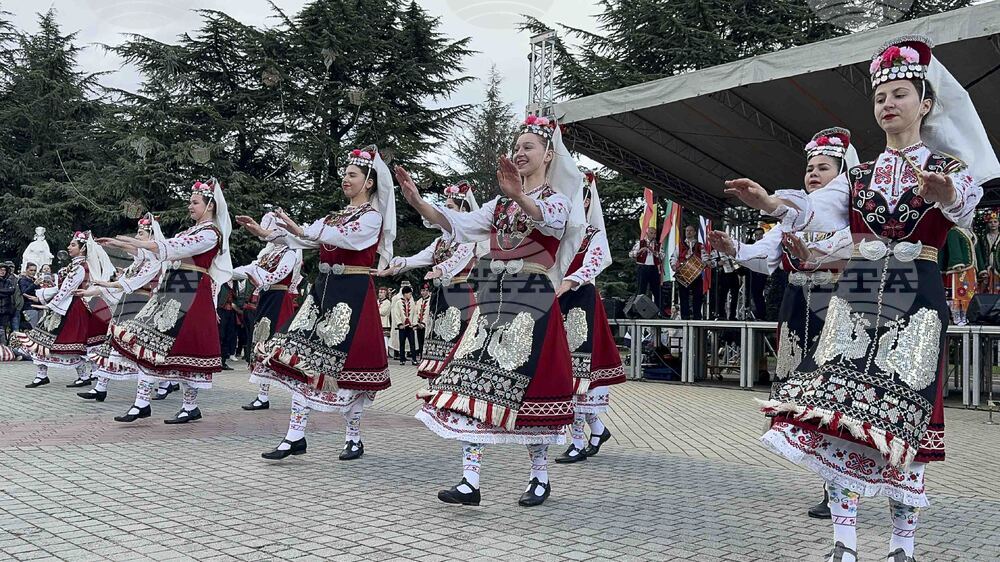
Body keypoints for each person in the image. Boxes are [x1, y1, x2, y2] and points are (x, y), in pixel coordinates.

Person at [726, 36, 996, 562]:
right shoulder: (859, 174)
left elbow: (962, 203)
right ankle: (844, 543)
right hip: (859, 291)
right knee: (841, 416)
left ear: (926, 104)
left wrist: (941, 191)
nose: (888, 104)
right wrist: (773, 203)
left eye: (899, 94)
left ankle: (902, 546)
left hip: (915, 293)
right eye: (880, 97)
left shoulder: (949, 164)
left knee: (908, 417)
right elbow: (817, 209)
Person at [395, 114, 583, 507]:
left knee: (531, 389)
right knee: (467, 382)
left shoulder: (558, 200)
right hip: (492, 296)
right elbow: (459, 223)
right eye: (516, 148)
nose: (520, 153)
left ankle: (539, 476)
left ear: (549, 154)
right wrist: (418, 203)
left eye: (528, 147)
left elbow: (548, 224)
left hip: (531, 296)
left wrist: (518, 195)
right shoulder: (498, 204)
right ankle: (470, 480)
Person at [711, 127, 858, 519]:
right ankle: (832, 480)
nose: (812, 173)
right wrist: (735, 249)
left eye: (822, 167)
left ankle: (840, 485)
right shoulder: (793, 217)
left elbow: (853, 253)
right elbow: (763, 256)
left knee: (834, 396)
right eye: (809, 167)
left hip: (836, 307)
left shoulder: (852, 219)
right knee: (806, 397)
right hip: (796, 309)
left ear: (843, 174)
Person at [240, 146, 394, 462]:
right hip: (323, 291)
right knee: (302, 360)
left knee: (347, 369)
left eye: (352, 175)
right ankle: (294, 436)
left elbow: (342, 238)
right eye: (345, 174)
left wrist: (300, 229)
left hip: (351, 295)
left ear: (368, 182)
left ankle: (354, 438)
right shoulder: (335, 215)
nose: (345, 180)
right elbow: (305, 239)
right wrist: (268, 235)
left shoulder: (371, 218)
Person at [110, 179, 233, 424]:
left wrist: (133, 241)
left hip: (193, 289)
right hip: (175, 285)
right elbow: (161, 252)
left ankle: (190, 406)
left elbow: (173, 248)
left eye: (194, 202)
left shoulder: (210, 234)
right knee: (145, 339)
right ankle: (141, 403)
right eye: (190, 201)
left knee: (185, 347)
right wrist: (123, 244)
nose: (190, 206)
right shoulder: (191, 231)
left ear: (209, 205)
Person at [554, 167, 625, 464]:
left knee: (579, 372)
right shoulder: (559, 232)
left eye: (579, 196)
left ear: (586, 202)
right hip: (559, 300)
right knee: (565, 369)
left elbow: (597, 261)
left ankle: (579, 442)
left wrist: (570, 280)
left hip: (581, 301)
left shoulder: (592, 235)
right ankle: (596, 429)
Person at [377, 181, 484, 379]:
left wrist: (440, 269)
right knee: (437, 341)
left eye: (450, 208)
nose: (446, 212)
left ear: (464, 210)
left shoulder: (469, 237)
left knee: (455, 340)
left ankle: (455, 384)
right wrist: (397, 266)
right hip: (440, 296)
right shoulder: (440, 241)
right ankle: (436, 386)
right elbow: (420, 257)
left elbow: (458, 259)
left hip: (460, 295)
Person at [75, 215, 164, 402]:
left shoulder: (155, 261)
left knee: (142, 349)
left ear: (152, 236)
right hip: (128, 305)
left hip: (141, 308)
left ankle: (164, 384)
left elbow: (131, 282)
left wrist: (103, 285)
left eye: (141, 234)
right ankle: (100, 387)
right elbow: (132, 251)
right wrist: (112, 243)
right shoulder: (140, 261)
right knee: (112, 344)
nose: (137, 237)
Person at [18, 231, 114, 388]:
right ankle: (43, 375)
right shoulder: (74, 266)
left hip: (73, 307)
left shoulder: (81, 267)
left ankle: (83, 376)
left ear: (82, 249)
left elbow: (67, 290)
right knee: (41, 339)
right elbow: (61, 288)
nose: (69, 247)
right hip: (64, 306)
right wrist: (41, 296)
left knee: (68, 343)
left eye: (73, 245)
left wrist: (48, 305)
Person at [234, 211, 302, 411]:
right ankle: (262, 395)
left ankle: (297, 391)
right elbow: (249, 268)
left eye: (271, 228)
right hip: (266, 299)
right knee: (261, 345)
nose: (267, 233)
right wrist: (224, 271)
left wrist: (258, 276)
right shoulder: (268, 253)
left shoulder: (290, 252)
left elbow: (278, 274)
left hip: (280, 300)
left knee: (280, 347)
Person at [939, 227, 977, 325]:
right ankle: (956, 317)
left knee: (968, 292)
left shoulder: (968, 231)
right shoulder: (954, 231)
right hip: (959, 268)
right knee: (958, 292)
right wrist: (957, 262)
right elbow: (953, 246)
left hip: (969, 267)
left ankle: (965, 316)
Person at [670, 224, 708, 320]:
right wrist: (674, 266)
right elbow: (674, 256)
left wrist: (705, 263)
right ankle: (685, 316)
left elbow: (704, 257)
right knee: (683, 296)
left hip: (696, 273)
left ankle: (697, 316)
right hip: (684, 272)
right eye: (687, 231)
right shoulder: (680, 245)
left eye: (691, 230)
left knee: (698, 296)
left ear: (695, 233)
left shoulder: (700, 245)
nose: (688, 232)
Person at [629, 226, 663, 308]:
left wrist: (654, 252)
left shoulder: (658, 245)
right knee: (641, 289)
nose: (653, 235)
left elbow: (662, 256)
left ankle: (659, 310)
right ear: (647, 233)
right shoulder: (640, 243)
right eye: (651, 233)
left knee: (656, 290)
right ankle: (639, 309)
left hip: (653, 268)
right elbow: (631, 254)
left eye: (654, 233)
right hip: (642, 267)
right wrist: (639, 251)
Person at [391, 281, 418, 365]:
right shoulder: (398, 303)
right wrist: (400, 324)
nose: (410, 295)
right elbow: (396, 314)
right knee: (402, 343)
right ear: (405, 294)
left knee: (412, 343)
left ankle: (414, 359)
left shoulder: (412, 303)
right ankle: (402, 359)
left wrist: (414, 324)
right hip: (402, 327)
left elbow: (415, 314)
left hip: (410, 327)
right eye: (409, 293)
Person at [976, 211, 1000, 294]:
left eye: (995, 222)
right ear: (987, 224)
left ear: (999, 223)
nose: (993, 224)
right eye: (990, 222)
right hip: (987, 269)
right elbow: (980, 255)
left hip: (999, 269)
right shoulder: (982, 238)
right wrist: (982, 269)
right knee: (985, 291)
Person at [18, 263, 39, 329]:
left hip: (37, 307)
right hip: (28, 308)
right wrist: (34, 285)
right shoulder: (22, 280)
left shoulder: (35, 280)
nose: (33, 272)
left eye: (35, 270)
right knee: (33, 328)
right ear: (26, 270)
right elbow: (24, 292)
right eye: (31, 270)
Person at [0, 262, 15, 344]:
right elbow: (8, 291)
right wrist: (6, 292)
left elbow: (11, 291)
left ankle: (4, 348)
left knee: (4, 330)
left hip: (6, 310)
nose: (2, 272)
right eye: (1, 270)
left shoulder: (8, 281)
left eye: (4, 270)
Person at [415, 283, 430, 361]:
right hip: (418, 325)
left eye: (426, 290)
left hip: (427, 325)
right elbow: (416, 312)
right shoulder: (418, 301)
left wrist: (424, 323)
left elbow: (429, 314)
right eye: (423, 290)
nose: (424, 292)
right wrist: (417, 322)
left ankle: (426, 357)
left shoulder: (431, 301)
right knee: (420, 341)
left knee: (426, 342)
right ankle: (421, 357)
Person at [378, 286, 392, 352]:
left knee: (384, 339)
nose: (380, 294)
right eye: (379, 292)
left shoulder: (387, 302)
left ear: (385, 293)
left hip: (384, 323)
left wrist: (375, 310)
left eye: (382, 292)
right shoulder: (377, 301)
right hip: (377, 322)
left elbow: (383, 312)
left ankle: (385, 352)